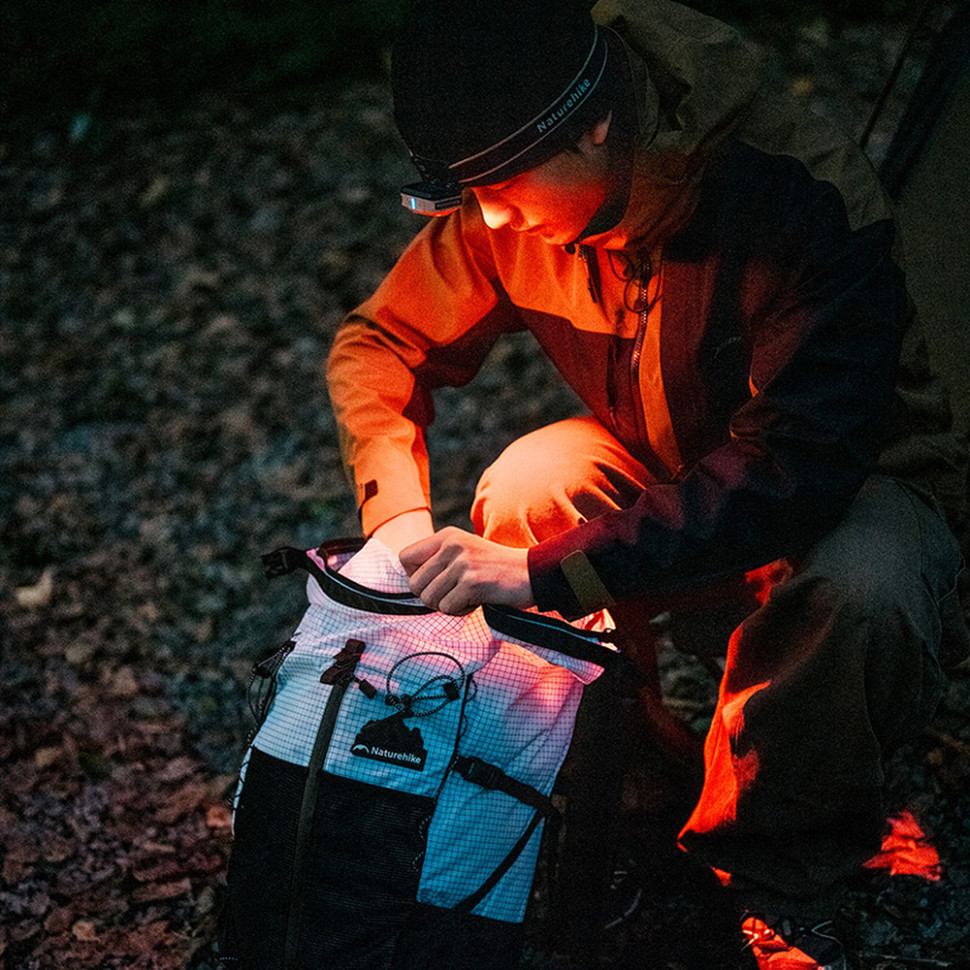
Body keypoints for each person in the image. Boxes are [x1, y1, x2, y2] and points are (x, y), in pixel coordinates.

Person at [326, 0, 970, 966]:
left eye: (503, 187)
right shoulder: (507, 193)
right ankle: (627, 782)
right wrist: (399, 519)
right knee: (532, 483)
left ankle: (774, 863)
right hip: (677, 468)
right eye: (469, 193)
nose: (490, 218)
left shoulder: (792, 192)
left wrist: (544, 575)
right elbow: (381, 341)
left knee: (859, 588)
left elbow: (794, 469)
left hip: (852, 486)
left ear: (598, 125)